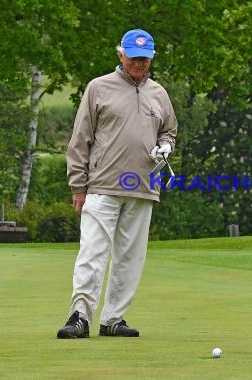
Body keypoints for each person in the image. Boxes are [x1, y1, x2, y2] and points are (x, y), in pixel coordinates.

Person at [57, 29, 178, 338]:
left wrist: (166, 147)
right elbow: (80, 139)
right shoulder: (98, 88)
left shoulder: (159, 94)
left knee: (130, 257)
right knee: (92, 252)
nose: (139, 63)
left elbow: (168, 132)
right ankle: (79, 316)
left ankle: (113, 319)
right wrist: (78, 185)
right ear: (120, 55)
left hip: (144, 186)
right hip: (102, 185)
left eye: (144, 58)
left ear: (151, 58)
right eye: (133, 57)